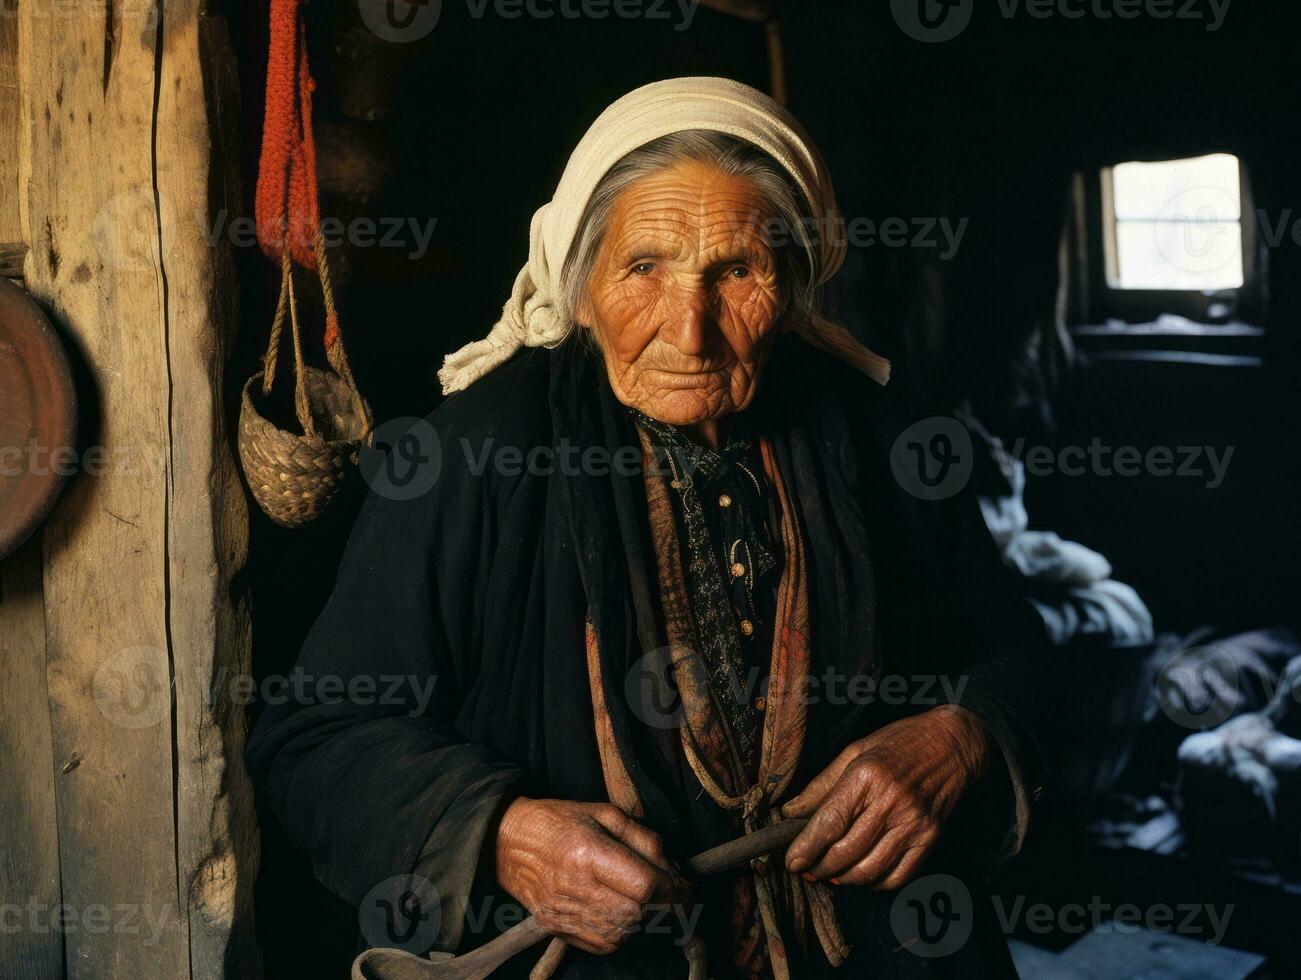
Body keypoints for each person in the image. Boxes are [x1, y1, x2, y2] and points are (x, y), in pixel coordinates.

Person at [247, 77, 1046, 978]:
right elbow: (314, 740)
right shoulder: (479, 455)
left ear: (790, 286)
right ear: (580, 285)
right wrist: (503, 832)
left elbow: (1018, 653)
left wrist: (959, 738)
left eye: (736, 271)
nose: (690, 330)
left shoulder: (875, 441)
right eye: (644, 269)